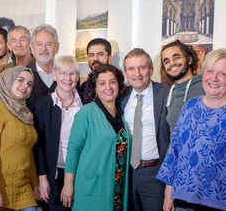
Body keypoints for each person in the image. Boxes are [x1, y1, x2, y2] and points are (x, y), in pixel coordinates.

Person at [157, 48, 226, 211]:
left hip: (220, 204)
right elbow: (175, 151)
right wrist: (168, 194)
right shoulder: (190, 106)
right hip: (181, 200)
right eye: (210, 71)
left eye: (222, 74)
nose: (214, 78)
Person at [61, 64, 131, 211]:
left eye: (112, 81)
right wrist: (68, 184)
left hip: (118, 186)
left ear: (119, 84)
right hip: (92, 185)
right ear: (95, 88)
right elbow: (74, 149)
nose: (108, 87)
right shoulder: (86, 112)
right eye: (102, 83)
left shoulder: (122, 113)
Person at [0, 66, 39, 210]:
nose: (25, 86)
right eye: (20, 80)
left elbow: (28, 153)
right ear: (9, 81)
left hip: (23, 187)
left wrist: (35, 184)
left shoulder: (26, 114)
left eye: (30, 84)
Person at [121, 48, 170, 211]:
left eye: (142, 67)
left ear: (151, 69)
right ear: (125, 72)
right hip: (126, 172)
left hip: (155, 173)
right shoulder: (121, 96)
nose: (137, 73)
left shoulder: (165, 94)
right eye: (131, 69)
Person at [35, 56, 82, 211]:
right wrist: (42, 178)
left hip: (81, 174)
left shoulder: (86, 104)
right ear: (54, 75)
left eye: (72, 73)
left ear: (78, 76)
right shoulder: (44, 103)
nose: (67, 78)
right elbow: (39, 144)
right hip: (53, 175)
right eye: (62, 73)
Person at [160, 40, 204, 134]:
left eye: (176, 57)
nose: (172, 63)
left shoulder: (205, 87)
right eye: (166, 61)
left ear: (189, 60)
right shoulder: (170, 92)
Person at [26, 24, 59, 112]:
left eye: (49, 44)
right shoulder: (22, 75)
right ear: (32, 48)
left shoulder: (68, 75)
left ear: (57, 47)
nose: (44, 49)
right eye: (39, 44)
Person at [79, 38, 112, 103]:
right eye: (91, 55)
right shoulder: (84, 87)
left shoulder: (119, 86)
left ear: (110, 58)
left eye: (100, 54)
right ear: (87, 58)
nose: (96, 58)